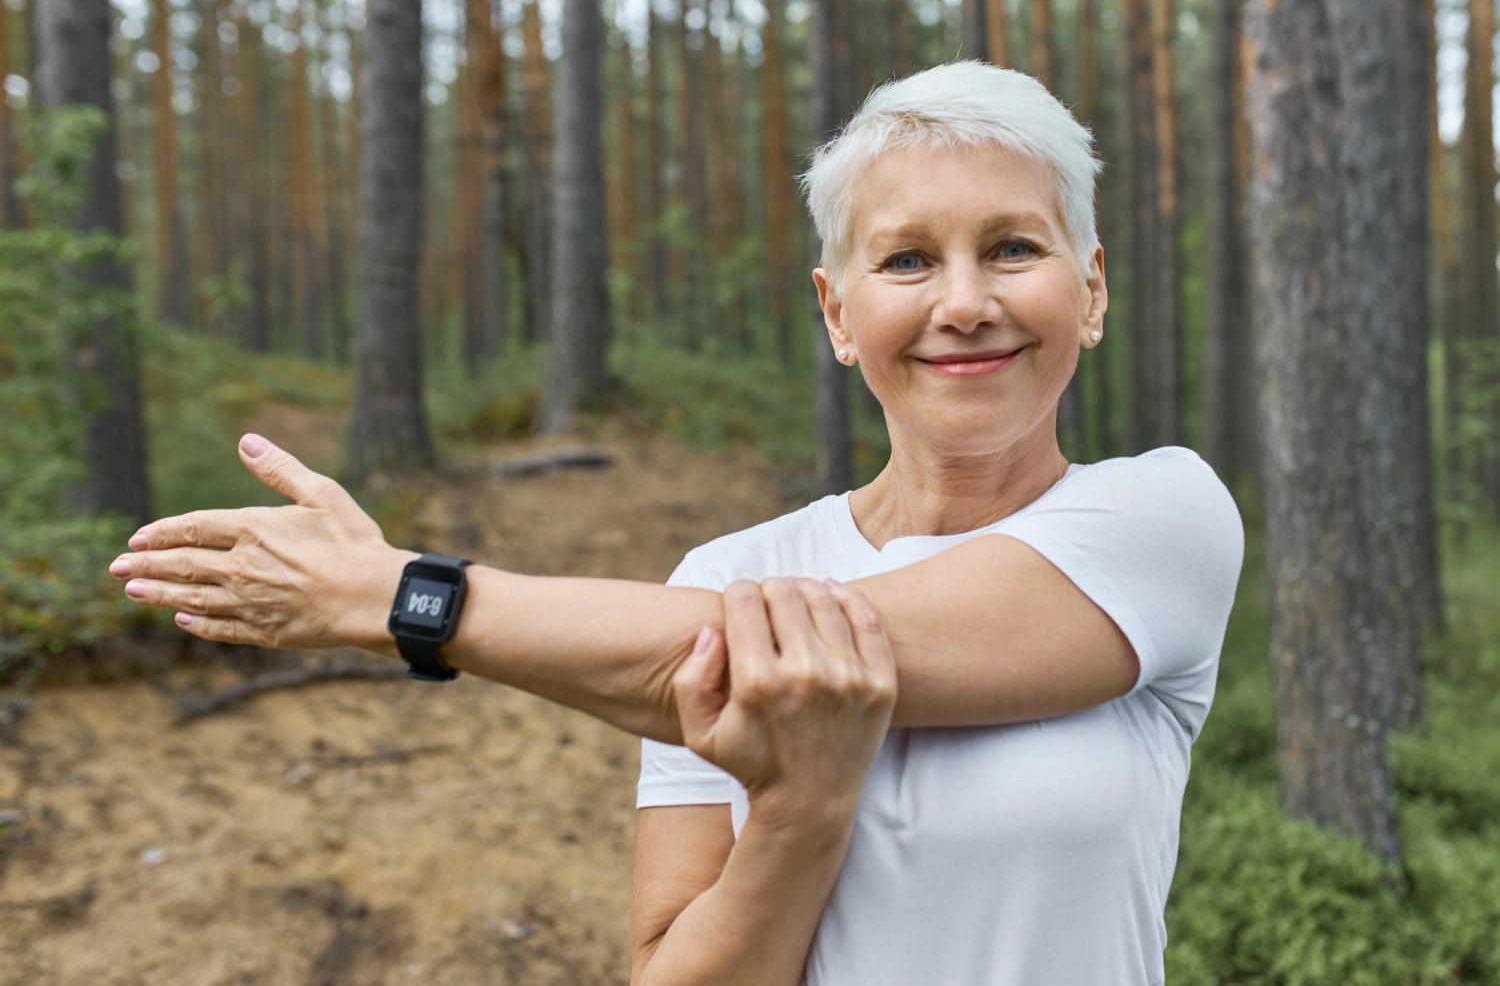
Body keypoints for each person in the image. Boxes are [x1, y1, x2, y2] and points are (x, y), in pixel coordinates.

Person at [107, 59, 1242, 986]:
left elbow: (784, 652)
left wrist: (402, 598)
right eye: (906, 259)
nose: (962, 302)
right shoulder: (728, 571)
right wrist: (801, 811)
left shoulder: (1164, 518)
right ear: (838, 312)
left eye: (1013, 247)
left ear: (1089, 289)